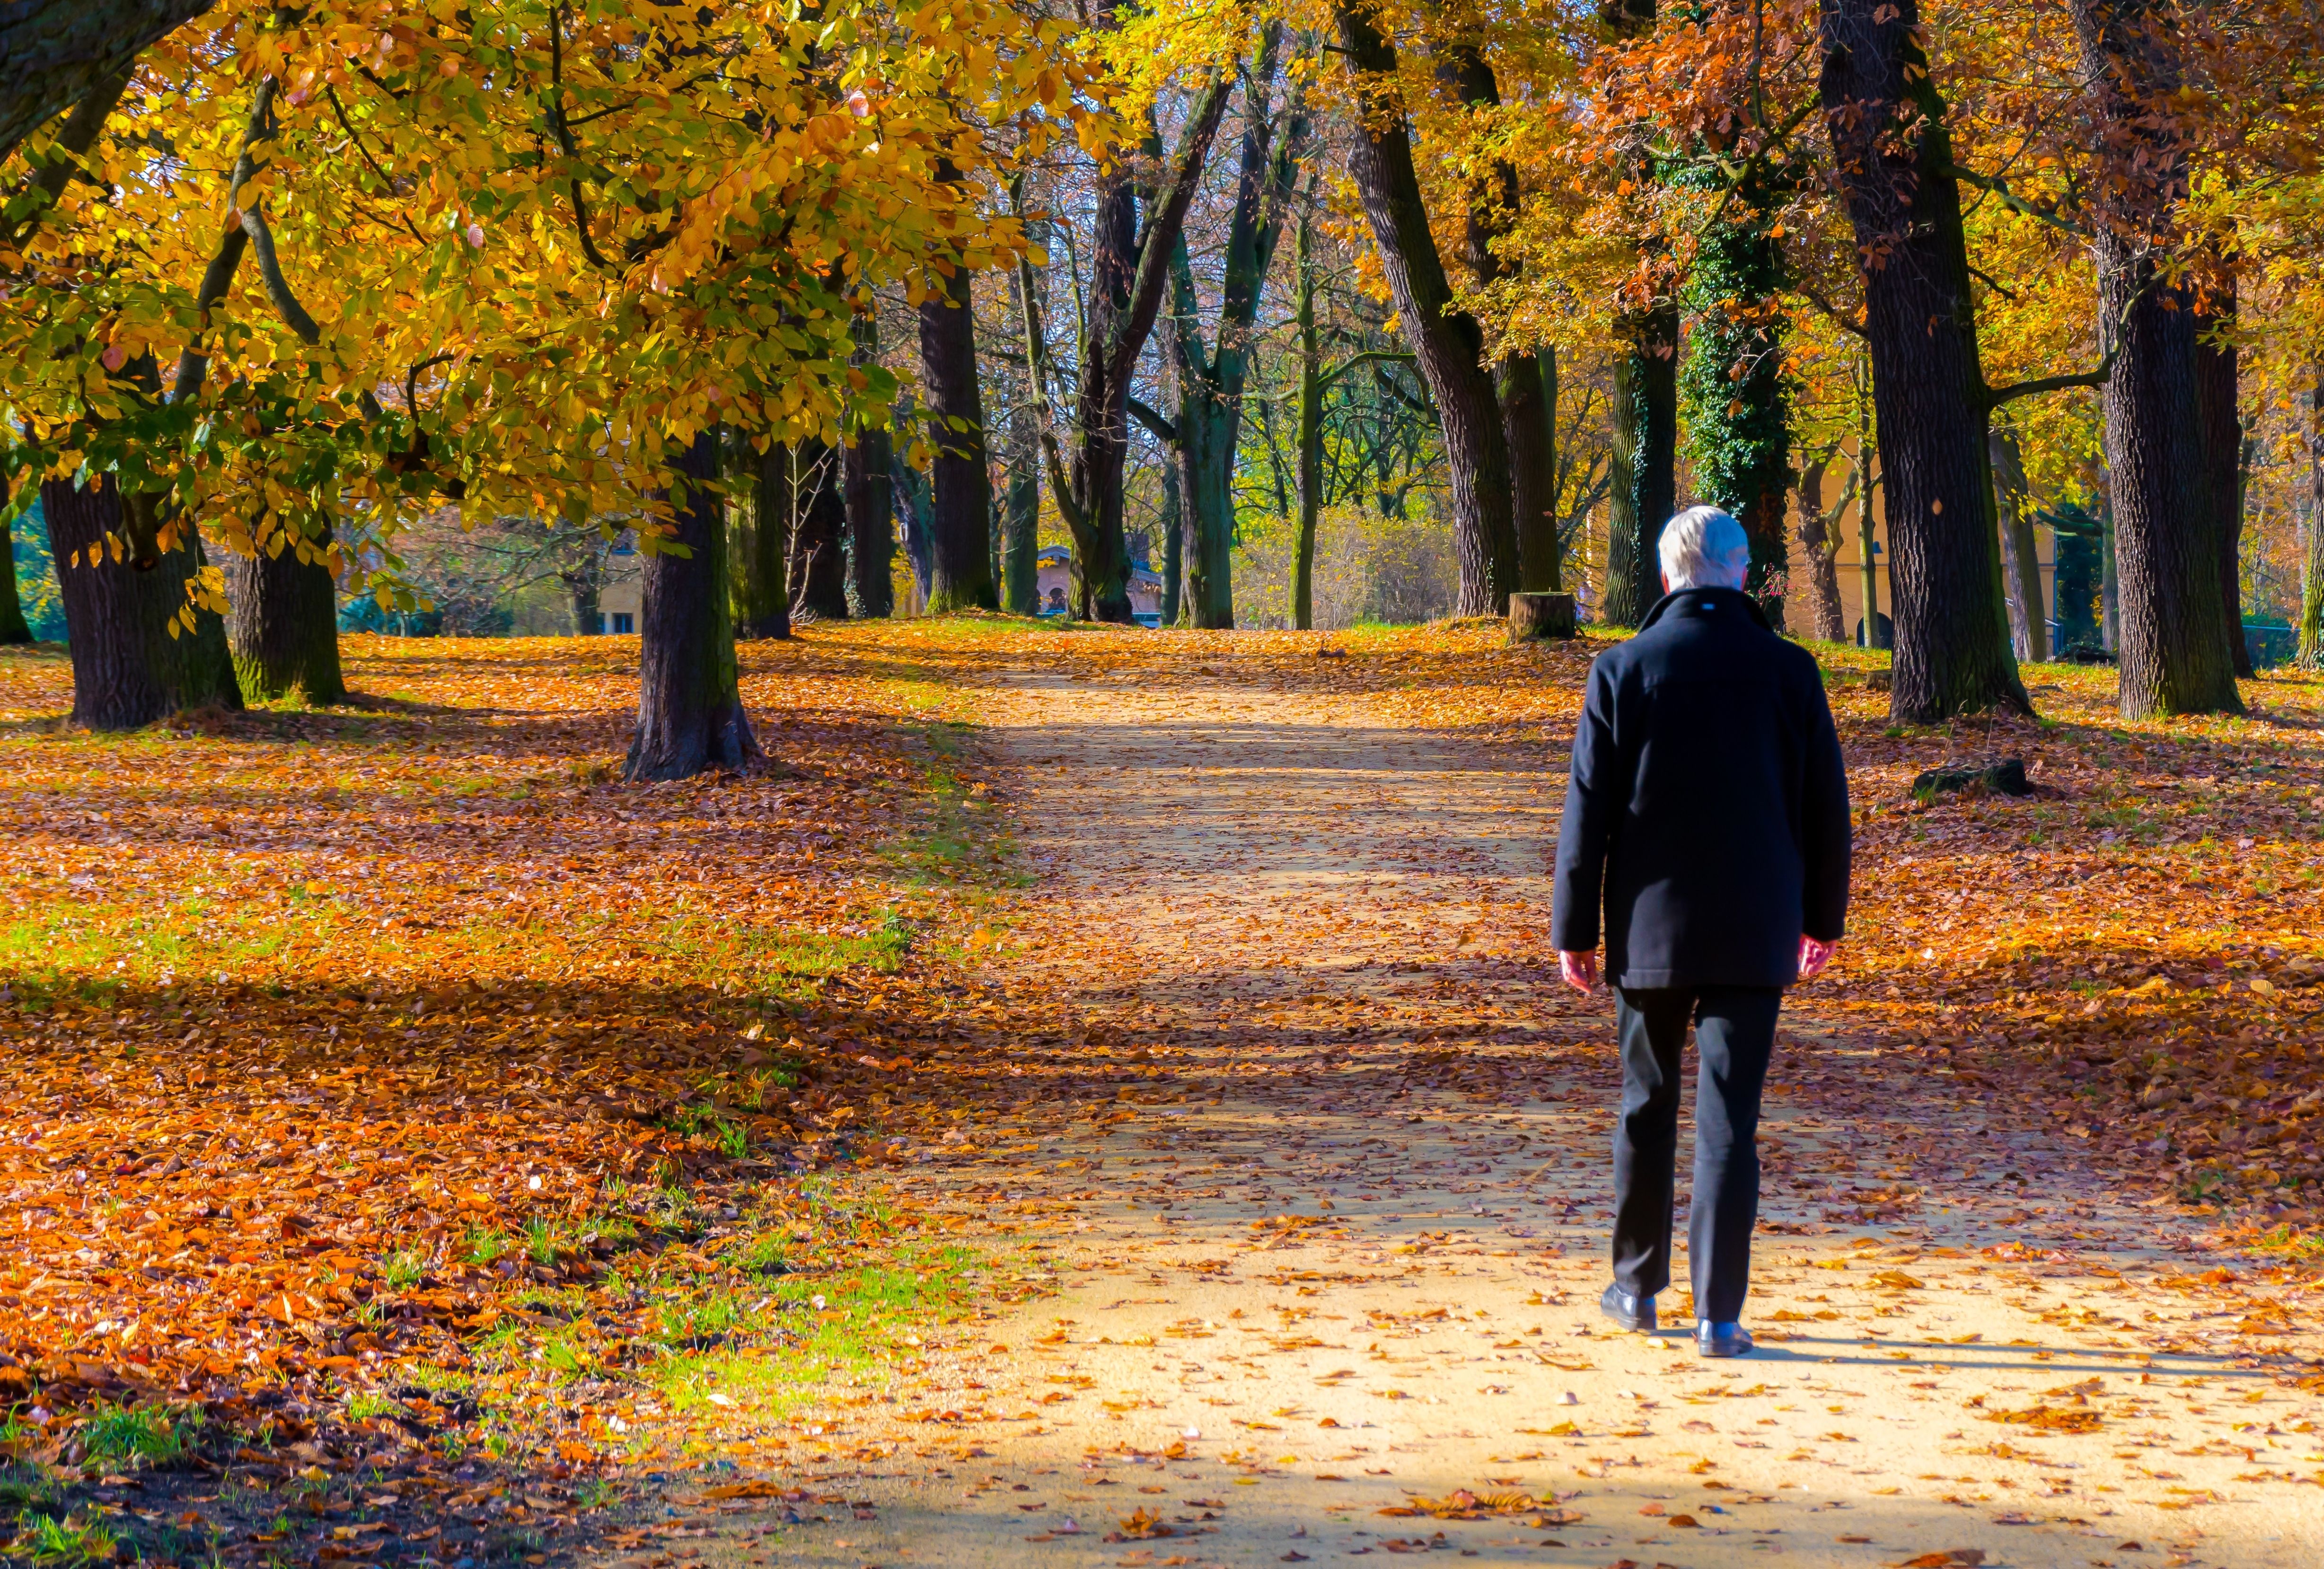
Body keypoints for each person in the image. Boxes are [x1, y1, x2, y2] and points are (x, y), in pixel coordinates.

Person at [1550, 506, 1852, 1358]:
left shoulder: (1623, 668)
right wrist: (1822, 917)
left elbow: (1587, 811)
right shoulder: (1791, 671)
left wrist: (1574, 928)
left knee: (1645, 1107)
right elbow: (1826, 806)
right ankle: (1720, 1316)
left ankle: (1637, 1289)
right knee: (1730, 1122)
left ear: (1665, 576)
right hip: (1756, 930)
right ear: (1742, 572)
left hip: (1648, 932)